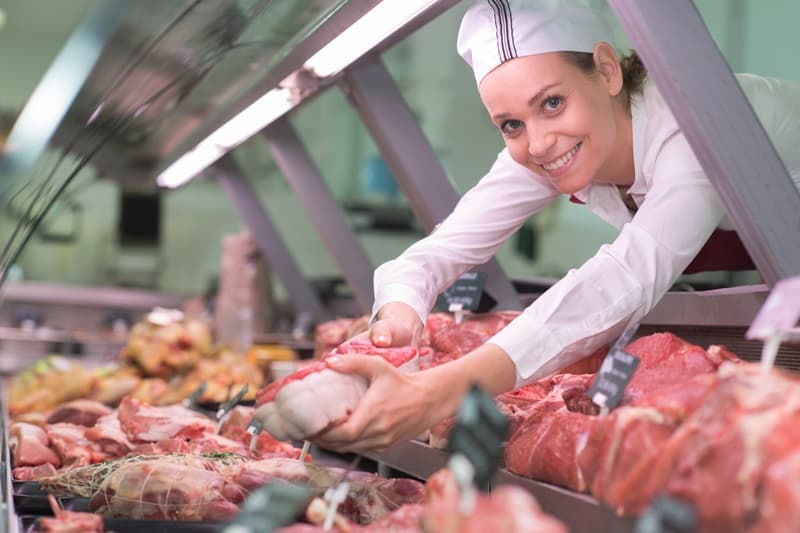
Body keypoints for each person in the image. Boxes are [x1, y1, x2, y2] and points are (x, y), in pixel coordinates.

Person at [313, 0, 800, 452]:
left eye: (552, 103)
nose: (540, 143)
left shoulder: (691, 124)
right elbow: (436, 253)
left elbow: (625, 276)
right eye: (511, 125)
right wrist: (398, 314)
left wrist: (442, 390)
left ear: (607, 71)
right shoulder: (547, 149)